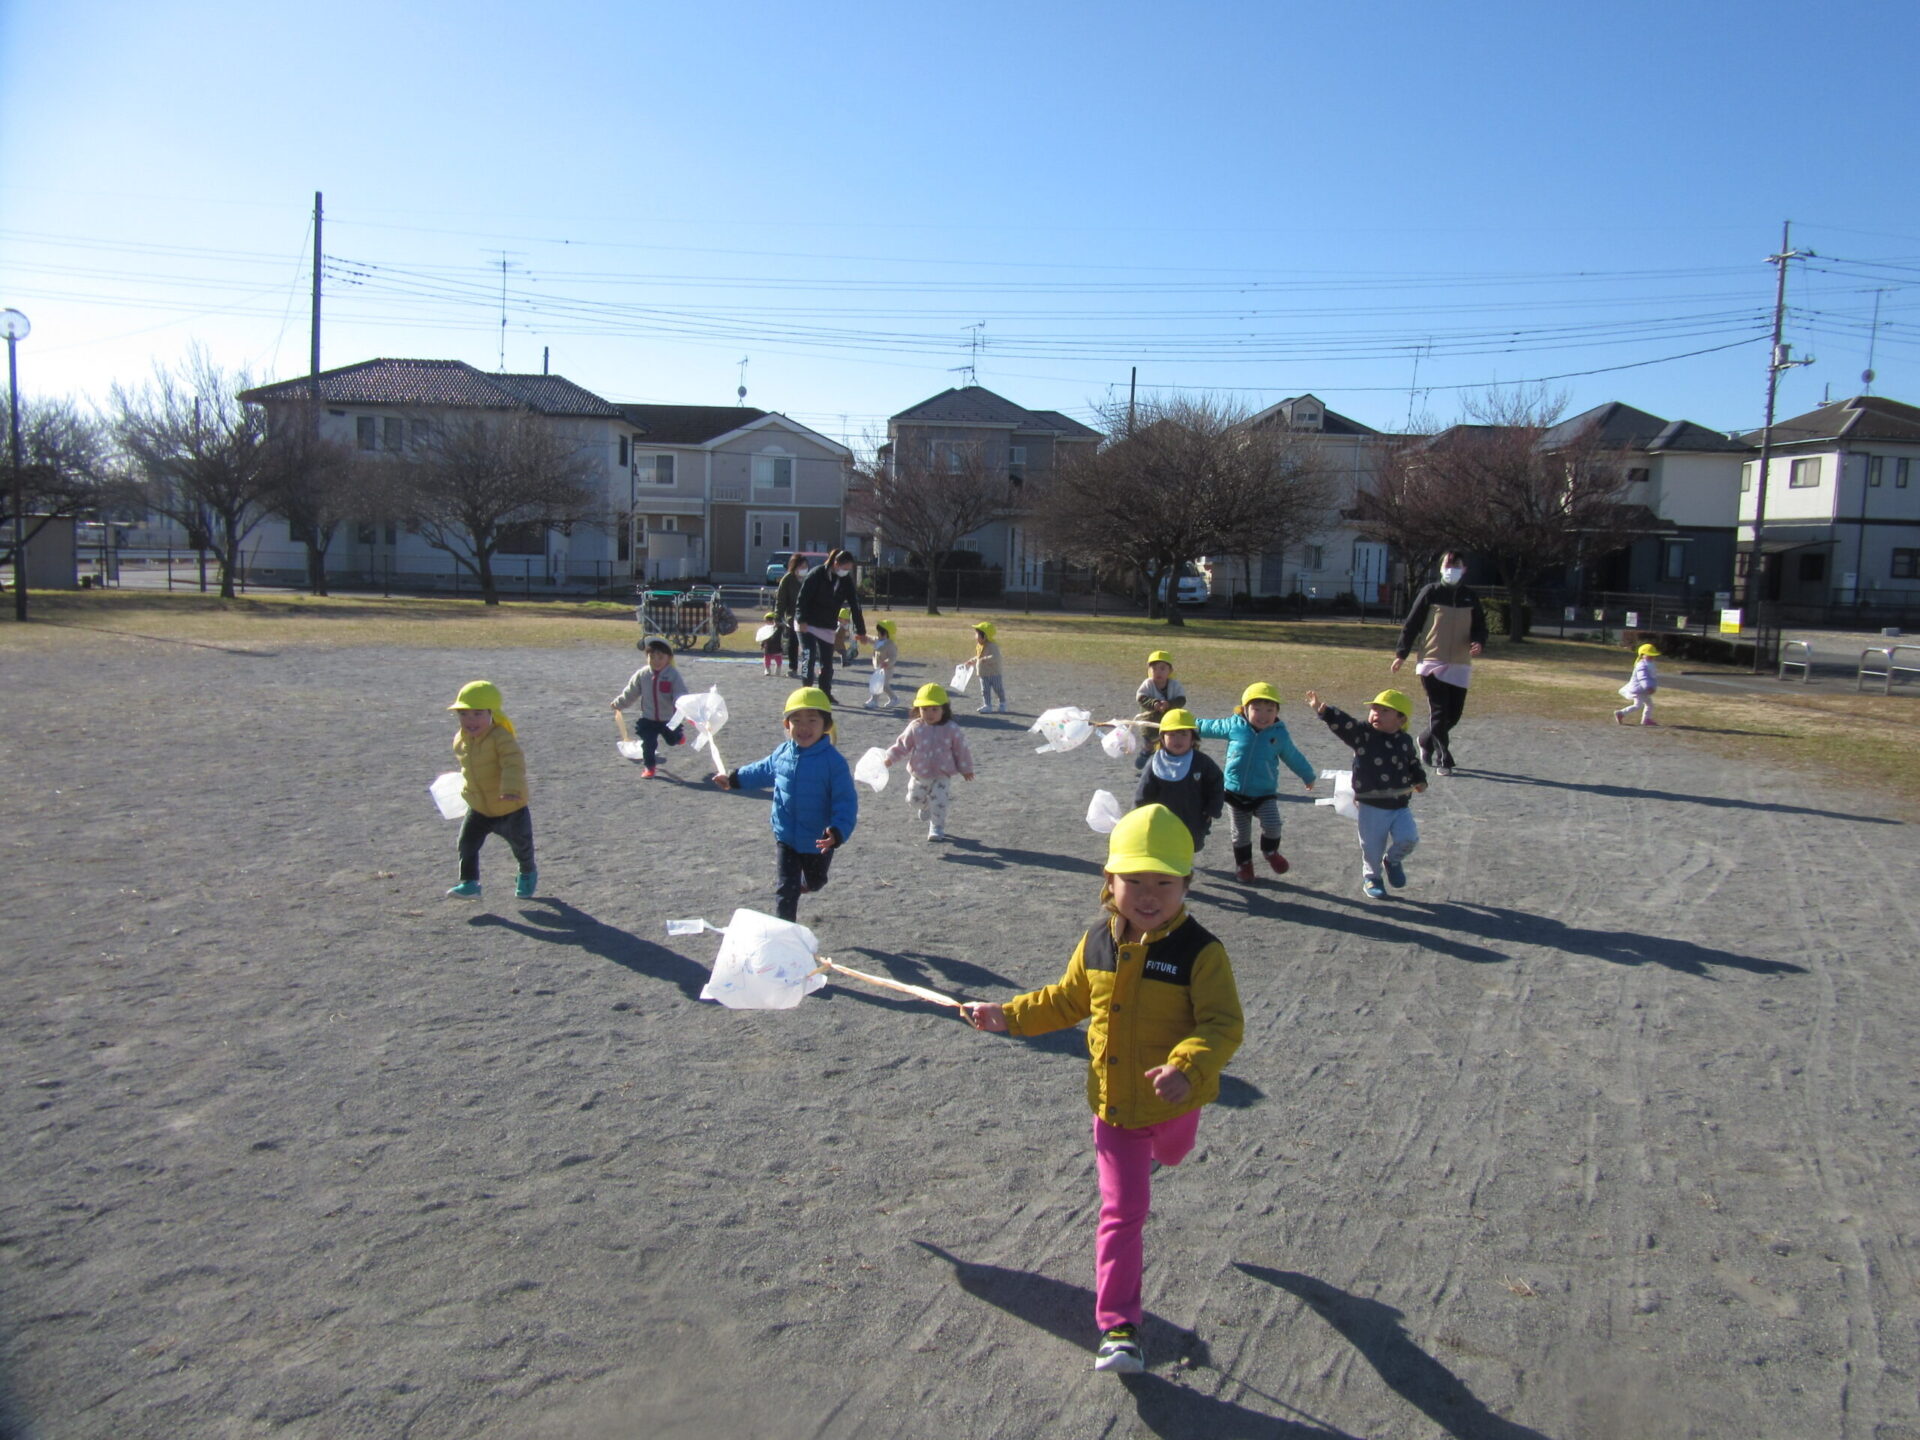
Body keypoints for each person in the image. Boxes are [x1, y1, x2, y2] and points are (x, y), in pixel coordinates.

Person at [961, 805, 1243, 1375]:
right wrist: (1007, 1016)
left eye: (1164, 882)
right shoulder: (1095, 943)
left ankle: (1167, 1151)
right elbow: (1064, 1001)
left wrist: (1187, 1067)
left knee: (1175, 1152)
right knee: (1123, 1210)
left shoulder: (1200, 952)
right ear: (1108, 882)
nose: (1147, 894)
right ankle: (1119, 1327)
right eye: (1132, 880)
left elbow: (1222, 1024)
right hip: (1114, 1107)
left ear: (1186, 884)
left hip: (1176, 1098)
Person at [712, 686, 858, 922]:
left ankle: (809, 882)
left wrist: (838, 831)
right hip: (786, 836)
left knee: (816, 881)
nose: (804, 727)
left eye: (812, 720)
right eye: (796, 720)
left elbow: (846, 801)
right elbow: (761, 771)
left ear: (826, 726)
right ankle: (784, 933)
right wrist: (733, 779)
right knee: (785, 890)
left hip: (818, 840)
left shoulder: (834, 763)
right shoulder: (782, 753)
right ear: (786, 725)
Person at [1306, 688, 1428, 901]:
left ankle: (1392, 861)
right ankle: (1372, 877)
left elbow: (1412, 762)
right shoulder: (1364, 735)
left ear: (1401, 719)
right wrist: (1324, 710)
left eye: (1384, 711)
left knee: (1409, 838)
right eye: (1374, 709)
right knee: (1372, 847)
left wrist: (1419, 779)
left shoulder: (1405, 741)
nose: (1376, 714)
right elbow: (1345, 724)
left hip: (1400, 805)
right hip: (1372, 805)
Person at [1195, 683, 1315, 884]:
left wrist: (1308, 775)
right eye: (1256, 709)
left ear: (1277, 711)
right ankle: (1244, 865)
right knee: (1240, 835)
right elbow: (1208, 726)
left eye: (1270, 709)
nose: (1263, 715)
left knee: (1273, 825)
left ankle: (1270, 850)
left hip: (1264, 793)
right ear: (1244, 709)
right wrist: (1180, 722)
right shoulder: (1234, 726)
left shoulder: (1279, 734)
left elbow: (1293, 756)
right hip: (1234, 794)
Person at [1391, 552, 1487, 776]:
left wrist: (1479, 642)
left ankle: (1425, 740)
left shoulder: (1470, 596)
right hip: (1432, 660)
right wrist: (1401, 654)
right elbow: (1412, 623)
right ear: (1441, 567)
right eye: (1448, 564)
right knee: (1440, 711)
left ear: (1464, 569)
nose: (1452, 568)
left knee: (1454, 714)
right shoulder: (1430, 592)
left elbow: (1480, 626)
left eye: (1457, 565)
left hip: (1460, 662)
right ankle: (1444, 758)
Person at [446, 680, 537, 899]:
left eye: (477, 714)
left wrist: (511, 788)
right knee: (466, 844)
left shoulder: (501, 738)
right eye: (464, 714)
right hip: (479, 808)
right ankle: (469, 883)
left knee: (521, 848)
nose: (470, 720)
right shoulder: (461, 739)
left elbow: (513, 763)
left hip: (509, 807)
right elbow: (470, 769)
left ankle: (527, 872)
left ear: (492, 713)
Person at [883, 682, 975, 841]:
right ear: (918, 709)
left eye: (934, 709)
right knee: (913, 800)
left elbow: (961, 750)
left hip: (942, 775)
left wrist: (966, 768)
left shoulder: (951, 728)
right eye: (924, 709)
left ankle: (937, 827)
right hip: (919, 773)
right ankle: (925, 806)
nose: (929, 713)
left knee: (939, 802)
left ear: (944, 709)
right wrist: (890, 758)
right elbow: (902, 745)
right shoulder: (915, 727)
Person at [1131, 709, 1223, 856]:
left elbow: (1216, 784)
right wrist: (1137, 815)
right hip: (1161, 818)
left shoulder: (1202, 762)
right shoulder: (1155, 763)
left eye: (1183, 734)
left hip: (1192, 816)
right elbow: (1143, 791)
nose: (1177, 740)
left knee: (1191, 844)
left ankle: (1185, 866)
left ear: (1193, 738)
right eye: (1172, 735)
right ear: (1162, 738)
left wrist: (1212, 809)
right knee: (1163, 846)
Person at [610, 636, 688, 778]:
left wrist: (684, 707)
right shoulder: (642, 674)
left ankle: (678, 737)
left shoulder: (673, 675)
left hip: (668, 719)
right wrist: (619, 703)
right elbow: (631, 692)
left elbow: (680, 694)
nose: (656, 661)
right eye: (652, 657)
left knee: (672, 740)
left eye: (660, 657)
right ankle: (649, 767)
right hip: (648, 718)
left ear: (668, 658)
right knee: (648, 744)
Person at [795, 549, 867, 701]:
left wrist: (861, 630)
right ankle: (806, 692)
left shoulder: (846, 581)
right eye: (844, 568)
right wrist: (801, 620)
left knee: (827, 662)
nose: (846, 572)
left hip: (827, 625)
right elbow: (802, 599)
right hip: (807, 623)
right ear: (836, 564)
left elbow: (855, 605)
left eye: (849, 569)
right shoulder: (817, 574)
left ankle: (825, 693)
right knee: (809, 655)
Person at [1131, 650, 1187, 771]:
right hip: (1149, 720)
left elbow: (1181, 700)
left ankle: (1164, 765)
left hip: (1168, 720)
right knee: (1150, 743)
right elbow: (1141, 698)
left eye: (1162, 669)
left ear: (1170, 671)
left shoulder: (1175, 685)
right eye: (1154, 669)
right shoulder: (1148, 684)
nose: (1158, 672)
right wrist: (1154, 704)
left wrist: (1170, 704)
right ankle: (1145, 753)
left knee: (1167, 743)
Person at [773, 552, 809, 679]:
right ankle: (793, 667)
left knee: (808, 645)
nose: (804, 569)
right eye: (801, 566)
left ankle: (807, 669)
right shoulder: (787, 580)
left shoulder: (809, 578)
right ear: (795, 567)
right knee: (793, 643)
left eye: (806, 566)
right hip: (793, 616)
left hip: (809, 617)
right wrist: (777, 616)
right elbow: (781, 600)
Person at [1615, 643, 1660, 726]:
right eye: (1649, 655)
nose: (1652, 657)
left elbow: (1651, 677)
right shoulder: (1642, 665)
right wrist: (1648, 687)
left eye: (1652, 655)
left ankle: (1646, 719)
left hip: (1643, 690)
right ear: (1642, 655)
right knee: (1638, 705)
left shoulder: (1649, 664)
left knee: (1649, 704)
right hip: (1639, 690)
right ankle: (1621, 713)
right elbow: (1643, 678)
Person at [972, 621, 1007, 713]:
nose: (976, 637)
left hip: (994, 673)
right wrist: (971, 661)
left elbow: (996, 657)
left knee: (998, 689)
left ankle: (1002, 703)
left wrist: (985, 659)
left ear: (985, 636)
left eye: (977, 634)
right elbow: (978, 657)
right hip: (983, 673)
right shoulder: (979, 646)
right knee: (985, 691)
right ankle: (987, 705)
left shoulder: (992, 646)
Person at [865, 620, 900, 709]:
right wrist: (863, 637)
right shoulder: (878, 640)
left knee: (880, 684)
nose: (878, 634)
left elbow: (893, 657)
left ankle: (875, 701)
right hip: (879, 669)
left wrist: (887, 662)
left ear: (885, 633)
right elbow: (870, 639)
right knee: (881, 685)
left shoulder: (890, 644)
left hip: (887, 669)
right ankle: (893, 698)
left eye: (879, 632)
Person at [759, 611, 784, 676]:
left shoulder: (779, 628)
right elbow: (763, 637)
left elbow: (784, 625)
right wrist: (762, 644)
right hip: (768, 647)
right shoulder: (765, 629)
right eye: (767, 620)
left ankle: (778, 669)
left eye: (771, 620)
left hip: (777, 646)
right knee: (767, 659)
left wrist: (778, 623)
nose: (769, 622)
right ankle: (767, 669)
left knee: (778, 660)